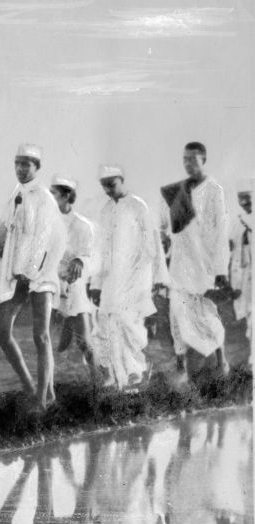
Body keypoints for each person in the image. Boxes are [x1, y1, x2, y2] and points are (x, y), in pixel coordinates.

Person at [0, 144, 66, 409]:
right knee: (1, 331)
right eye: (17, 163)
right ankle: (31, 386)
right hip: (18, 275)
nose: (21, 168)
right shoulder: (15, 195)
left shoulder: (44, 197)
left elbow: (45, 239)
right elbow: (2, 235)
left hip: (40, 275)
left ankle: (44, 399)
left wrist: (32, 272)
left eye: (26, 164)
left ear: (37, 167)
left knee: (41, 335)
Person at [90, 165, 168, 390]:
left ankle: (136, 374)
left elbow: (152, 243)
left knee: (129, 325)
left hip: (135, 277)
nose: (108, 189)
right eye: (104, 185)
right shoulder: (105, 211)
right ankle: (114, 377)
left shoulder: (137, 206)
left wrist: (156, 278)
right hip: (111, 279)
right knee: (105, 324)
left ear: (122, 180)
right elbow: (100, 249)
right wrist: (96, 283)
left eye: (111, 184)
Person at [159, 142, 230, 382]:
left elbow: (220, 230)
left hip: (204, 263)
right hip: (180, 262)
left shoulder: (214, 190)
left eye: (193, 159)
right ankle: (181, 367)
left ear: (204, 159)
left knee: (205, 312)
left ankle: (221, 359)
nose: (188, 163)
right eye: (185, 159)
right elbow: (166, 227)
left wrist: (220, 269)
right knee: (176, 312)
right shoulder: (177, 191)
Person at [49, 174, 98, 378]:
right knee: (54, 341)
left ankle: (100, 380)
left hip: (73, 283)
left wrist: (79, 260)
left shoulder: (82, 225)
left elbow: (87, 254)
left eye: (55, 194)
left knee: (83, 341)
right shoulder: (48, 221)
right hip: (51, 282)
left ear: (67, 196)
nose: (50, 198)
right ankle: (52, 381)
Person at [230, 178, 252, 353]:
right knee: (249, 318)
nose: (245, 203)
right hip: (245, 278)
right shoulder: (239, 224)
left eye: (248, 198)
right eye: (241, 200)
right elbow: (234, 255)